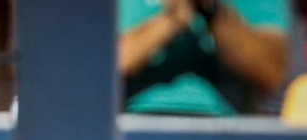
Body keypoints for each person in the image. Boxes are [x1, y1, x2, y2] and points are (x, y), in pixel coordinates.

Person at [119, 0, 291, 115]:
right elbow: (112, 63)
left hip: (226, 131)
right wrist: (172, 19)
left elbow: (272, 74)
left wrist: (212, 10)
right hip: (129, 125)